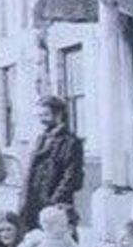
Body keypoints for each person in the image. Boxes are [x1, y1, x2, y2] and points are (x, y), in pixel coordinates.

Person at [19, 95, 84, 233]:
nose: (42, 119)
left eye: (46, 114)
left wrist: (53, 202)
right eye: (40, 115)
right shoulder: (40, 139)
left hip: (55, 206)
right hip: (32, 203)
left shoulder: (71, 142)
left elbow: (72, 177)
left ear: (59, 114)